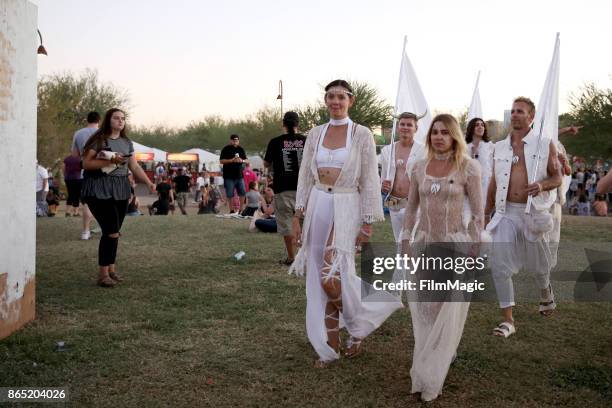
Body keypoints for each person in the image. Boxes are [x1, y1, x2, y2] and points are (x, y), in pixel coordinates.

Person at [289, 79, 403, 368]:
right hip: (318, 202)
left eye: (340, 97)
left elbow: (369, 179)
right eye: (330, 97)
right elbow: (305, 175)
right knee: (319, 278)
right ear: (325, 101)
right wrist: (297, 214)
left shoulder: (361, 134)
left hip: (346, 204)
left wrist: (367, 222)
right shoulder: (315, 133)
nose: (335, 102)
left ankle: (357, 325)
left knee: (332, 274)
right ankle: (330, 346)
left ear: (350, 100)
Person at [400, 114, 484, 402]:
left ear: (454, 136)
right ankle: (433, 356)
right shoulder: (419, 167)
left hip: (453, 245)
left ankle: (432, 374)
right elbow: (411, 208)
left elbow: (477, 211)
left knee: (444, 307)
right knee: (426, 307)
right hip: (424, 243)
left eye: (444, 132)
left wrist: (475, 244)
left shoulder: (469, 168)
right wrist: (404, 238)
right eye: (434, 132)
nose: (438, 137)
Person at [485, 97, 561, 338]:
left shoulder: (544, 144)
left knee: (539, 265)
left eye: (521, 111)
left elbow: (557, 178)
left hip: (532, 213)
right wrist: (486, 213)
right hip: (505, 212)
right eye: (513, 111)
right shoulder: (498, 147)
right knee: (499, 266)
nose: (515, 115)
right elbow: (494, 183)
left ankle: (545, 290)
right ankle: (508, 320)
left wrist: (541, 185)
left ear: (531, 117)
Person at [81, 108, 155, 287]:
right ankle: (102, 275)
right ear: (108, 120)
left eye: (123, 118)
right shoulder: (99, 140)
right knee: (111, 231)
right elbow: (86, 163)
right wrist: (110, 161)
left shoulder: (127, 142)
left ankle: (111, 270)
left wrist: (149, 183)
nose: (120, 121)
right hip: (99, 188)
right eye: (116, 118)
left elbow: (135, 167)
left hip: (121, 189)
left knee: (115, 232)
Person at [264, 111, 307, 264]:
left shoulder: (275, 142)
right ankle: (303, 256)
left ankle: (291, 257)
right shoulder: (306, 140)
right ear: (298, 124)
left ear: (283, 124)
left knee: (286, 224)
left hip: (282, 188)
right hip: (305, 189)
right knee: (304, 223)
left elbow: (267, 163)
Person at [379, 112, 426, 242]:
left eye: (409, 125)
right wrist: (383, 186)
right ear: (398, 127)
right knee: (398, 240)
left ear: (416, 128)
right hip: (393, 203)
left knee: (406, 241)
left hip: (414, 204)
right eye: (402, 124)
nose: (405, 127)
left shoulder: (423, 150)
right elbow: (383, 177)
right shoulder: (387, 151)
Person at [72, 111, 101, 240]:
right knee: (105, 201)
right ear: (99, 120)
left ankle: (85, 232)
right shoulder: (103, 133)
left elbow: (74, 155)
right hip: (103, 170)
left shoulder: (78, 133)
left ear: (87, 120)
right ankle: (105, 227)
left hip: (86, 170)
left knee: (87, 202)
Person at [465, 117, 494, 208]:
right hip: (468, 188)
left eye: (482, 125)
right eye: (477, 125)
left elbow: (494, 168)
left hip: (486, 187)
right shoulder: (465, 147)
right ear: (471, 128)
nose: (480, 127)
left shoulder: (490, 146)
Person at [219, 134, 249, 214]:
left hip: (239, 176)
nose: (235, 141)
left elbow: (247, 161)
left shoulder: (241, 149)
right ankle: (231, 210)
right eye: (234, 140)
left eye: (237, 140)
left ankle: (241, 209)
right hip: (228, 176)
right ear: (230, 140)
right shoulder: (226, 149)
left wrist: (241, 161)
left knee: (242, 192)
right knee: (230, 193)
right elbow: (221, 161)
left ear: (238, 141)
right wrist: (231, 160)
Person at [63, 152, 83, 217]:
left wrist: (65, 176)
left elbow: (64, 168)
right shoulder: (80, 159)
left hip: (68, 179)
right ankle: (76, 212)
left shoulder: (67, 159)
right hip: (78, 178)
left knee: (70, 194)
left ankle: (67, 212)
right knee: (77, 195)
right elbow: (83, 168)